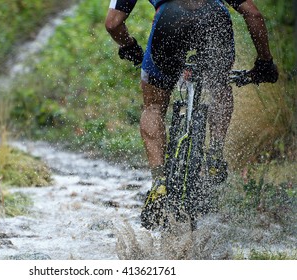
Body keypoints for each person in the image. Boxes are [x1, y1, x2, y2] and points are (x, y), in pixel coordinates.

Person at [105, 0, 278, 229]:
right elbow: (253, 14)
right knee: (219, 85)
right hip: (213, 19)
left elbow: (113, 23)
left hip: (170, 20)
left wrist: (129, 47)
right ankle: (215, 154)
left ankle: (159, 183)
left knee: (154, 107)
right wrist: (265, 61)